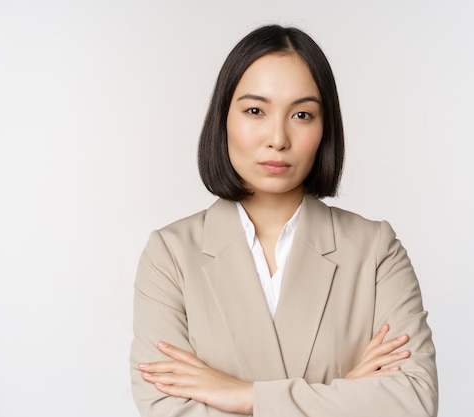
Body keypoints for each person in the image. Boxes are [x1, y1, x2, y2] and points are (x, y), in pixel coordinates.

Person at [130, 24, 438, 417]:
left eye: (302, 114)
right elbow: (166, 409)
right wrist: (345, 393)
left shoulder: (375, 248)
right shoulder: (171, 255)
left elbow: (411, 403)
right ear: (223, 117)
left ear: (325, 128)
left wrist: (246, 396)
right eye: (255, 110)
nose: (278, 138)